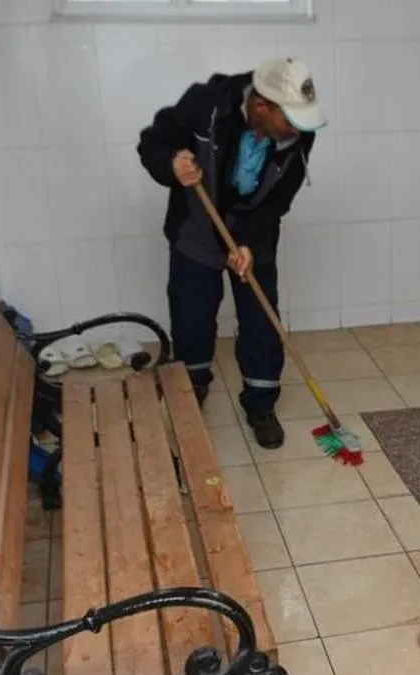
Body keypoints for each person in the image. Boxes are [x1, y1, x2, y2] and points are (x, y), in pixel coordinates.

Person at [138, 58, 324, 449]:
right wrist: (171, 164)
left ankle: (260, 402)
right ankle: (192, 387)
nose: (297, 129)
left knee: (261, 318)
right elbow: (153, 141)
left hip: (254, 231)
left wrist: (248, 244)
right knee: (192, 315)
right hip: (198, 228)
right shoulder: (206, 104)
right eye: (290, 119)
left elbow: (279, 200)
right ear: (261, 105)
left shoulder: (300, 134)